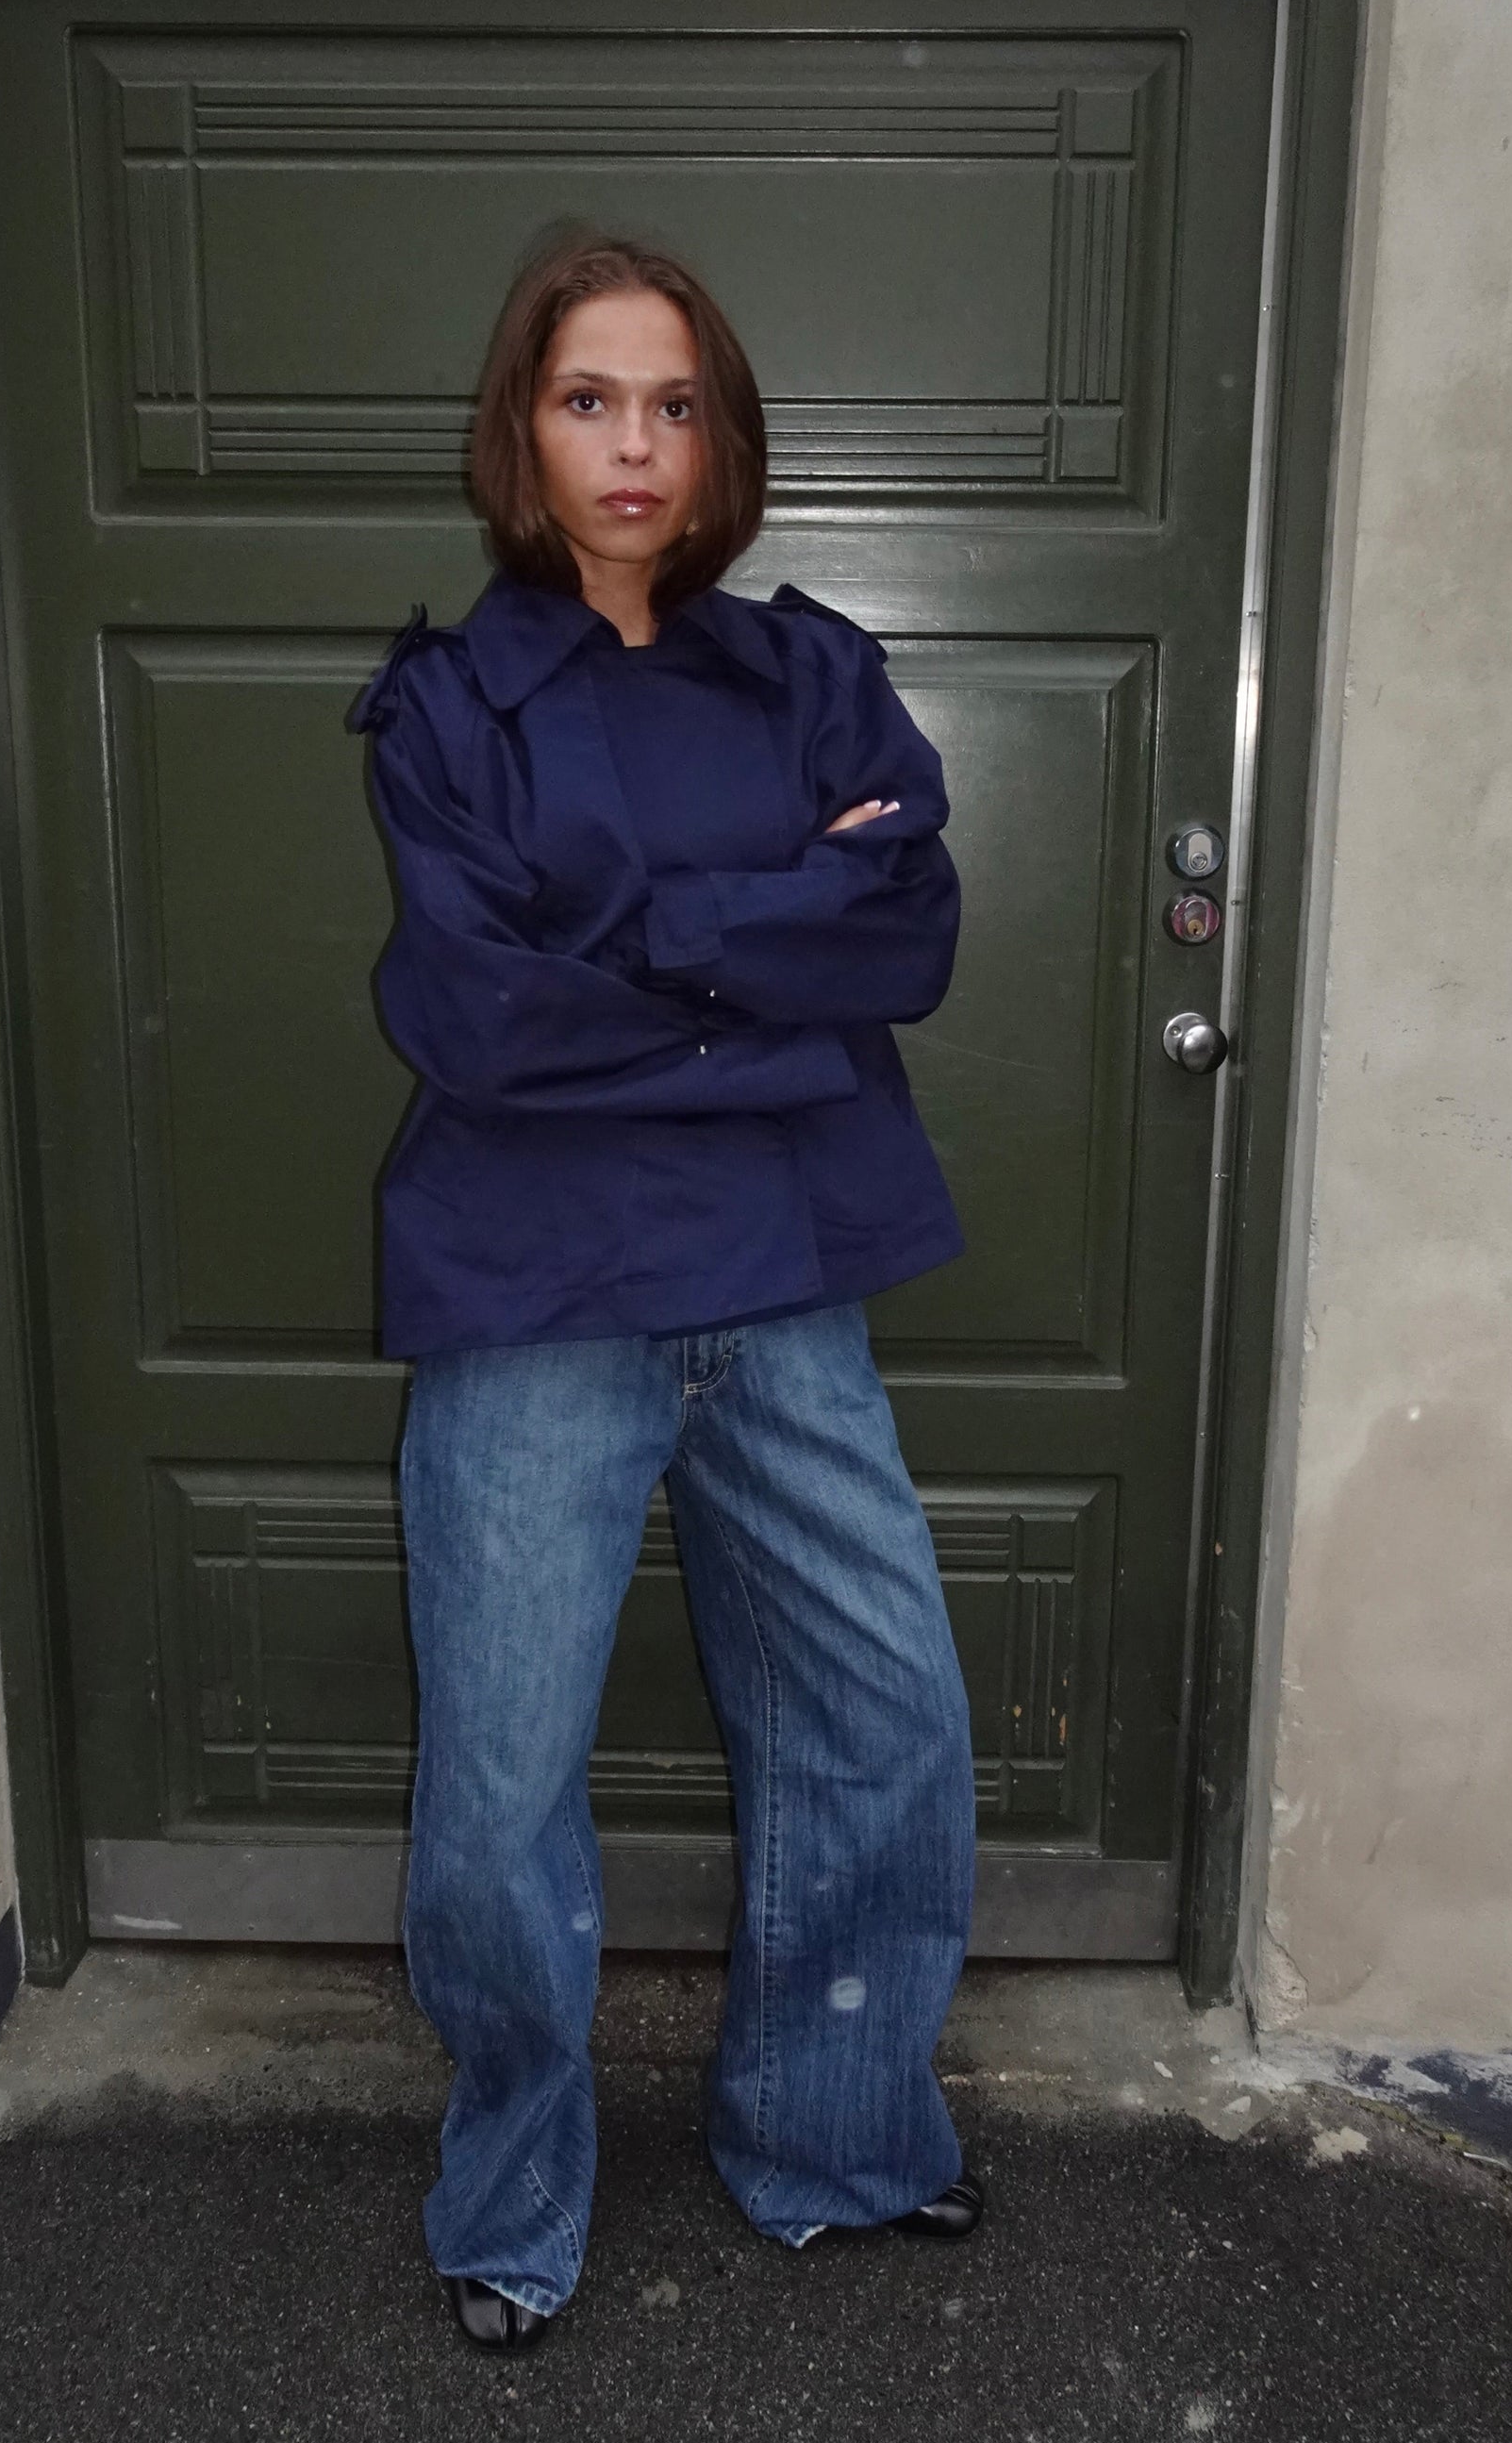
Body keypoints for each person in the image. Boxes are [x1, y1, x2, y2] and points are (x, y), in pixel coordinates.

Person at [348, 236, 981, 2352]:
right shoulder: (449, 709)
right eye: (589, 399)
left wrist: (638, 938)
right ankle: (513, 2194)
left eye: (676, 404)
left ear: (723, 439)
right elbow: (482, 1014)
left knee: (882, 1718)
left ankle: (834, 2133)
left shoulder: (810, 676)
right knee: (499, 1790)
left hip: (784, 1279)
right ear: (520, 430)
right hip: (533, 1291)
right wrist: (763, 950)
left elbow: (901, 937)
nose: (636, 445)